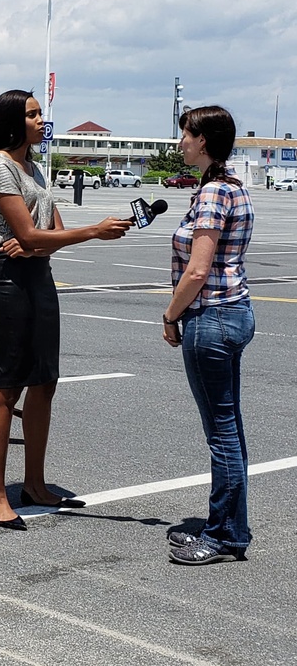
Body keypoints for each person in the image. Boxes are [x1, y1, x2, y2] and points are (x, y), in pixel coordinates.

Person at [0, 89, 132, 530]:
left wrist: (41, 243)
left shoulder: (36, 169)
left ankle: (36, 484)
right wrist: (90, 232)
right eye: (32, 114)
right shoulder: (1, 165)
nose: (42, 120)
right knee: (8, 386)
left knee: (45, 381)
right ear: (12, 121)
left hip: (37, 274)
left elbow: (49, 232)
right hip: (8, 277)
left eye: (41, 113)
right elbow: (27, 234)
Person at [162, 106, 255, 565]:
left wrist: (170, 313)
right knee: (229, 428)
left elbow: (199, 268)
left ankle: (224, 535)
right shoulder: (230, 187)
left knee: (221, 435)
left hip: (211, 318)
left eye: (186, 134)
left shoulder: (214, 192)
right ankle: (230, 526)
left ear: (204, 141)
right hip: (233, 313)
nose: (180, 142)